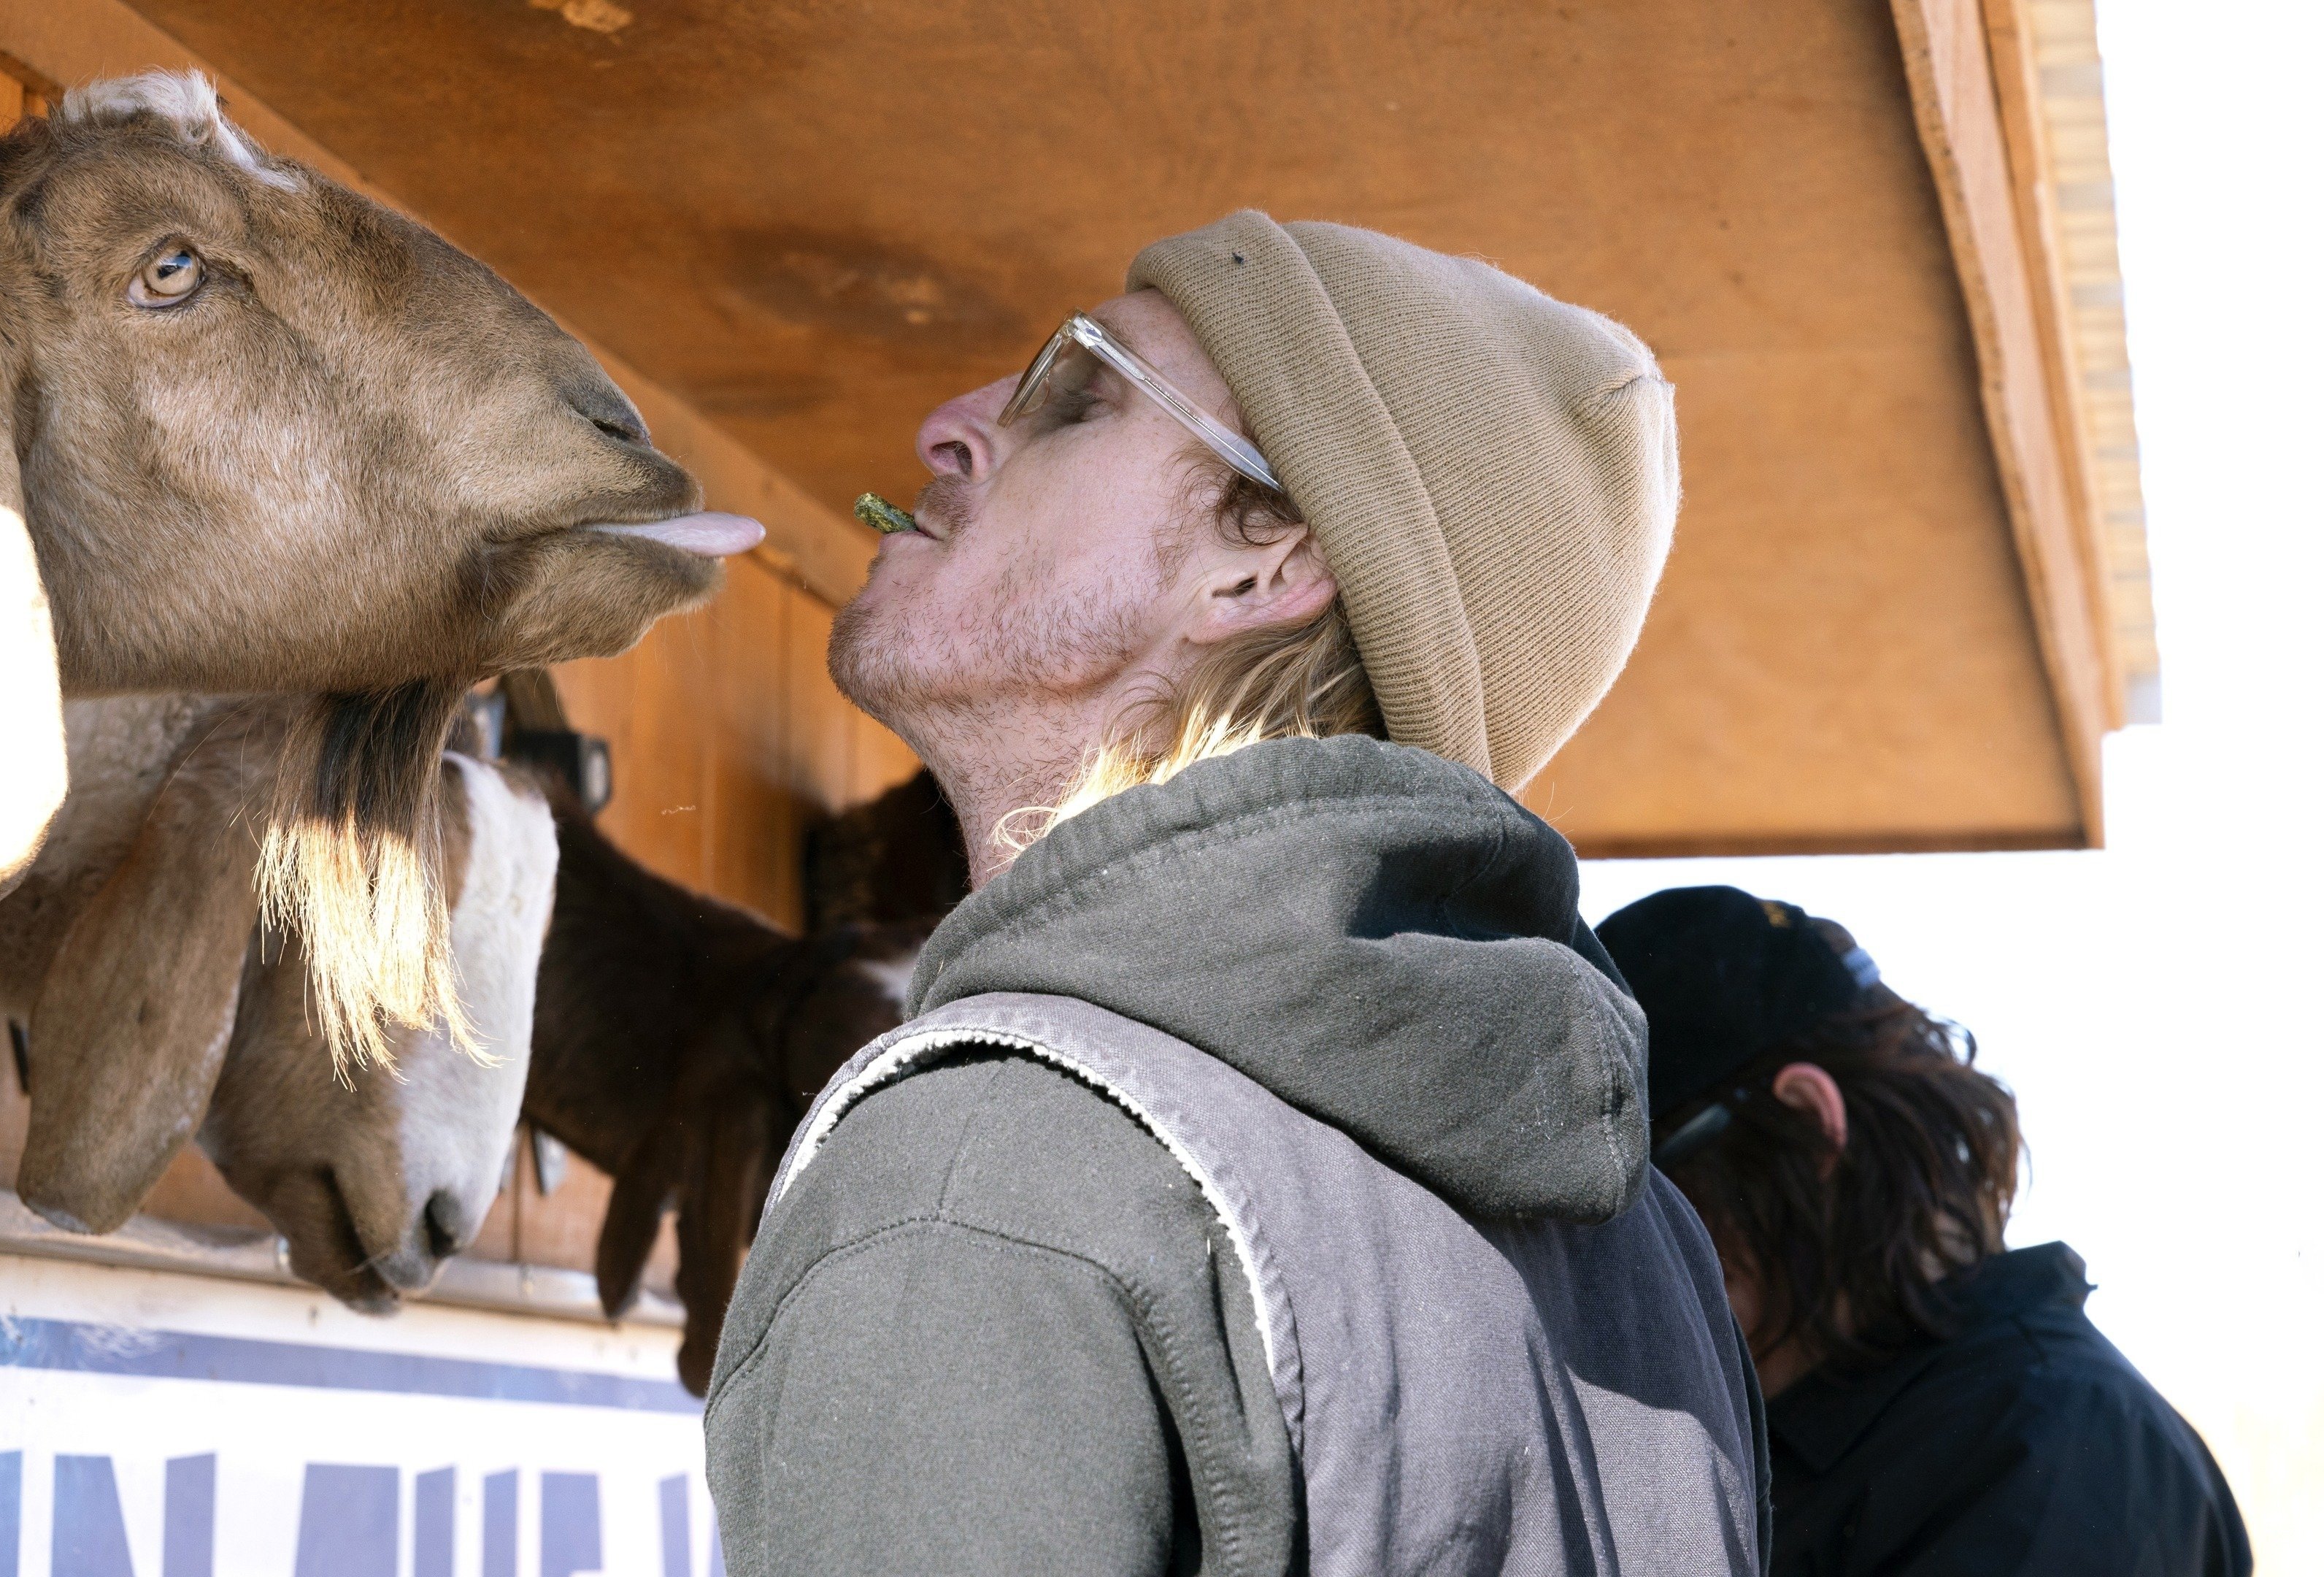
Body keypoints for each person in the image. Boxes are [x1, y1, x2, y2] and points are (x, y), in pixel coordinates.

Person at [703, 211, 1766, 1573]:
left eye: (1079, 395)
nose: (952, 426)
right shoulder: (1647, 1260)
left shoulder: (990, 1170)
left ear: (1269, 564)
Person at [1596, 885, 2251, 1576]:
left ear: (1809, 1122)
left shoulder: (2059, 1449)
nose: (1620, 1272)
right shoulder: (1837, 1442)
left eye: (1645, 1198)